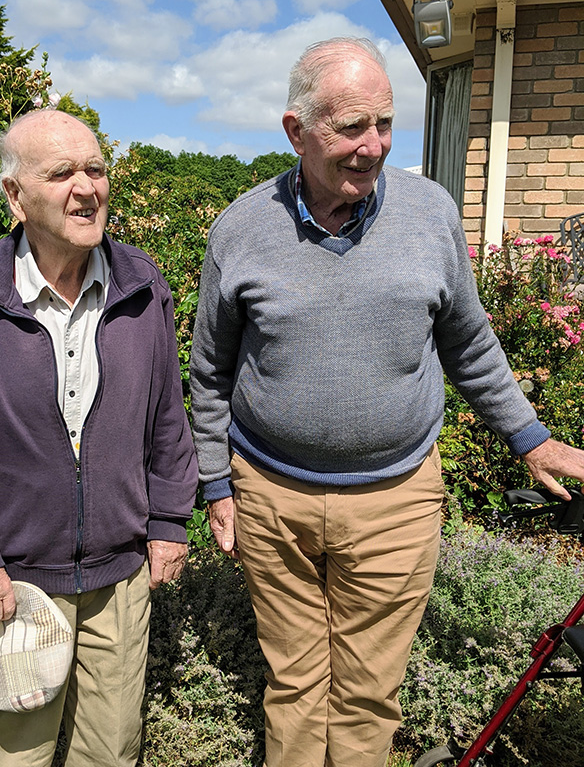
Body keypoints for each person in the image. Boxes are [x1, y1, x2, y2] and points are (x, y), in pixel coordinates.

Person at [189, 37, 584, 767]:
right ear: (295, 131)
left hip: (397, 500)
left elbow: (468, 343)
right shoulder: (241, 230)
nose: (372, 148)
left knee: (370, 694)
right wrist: (217, 485)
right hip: (272, 497)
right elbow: (209, 371)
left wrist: (531, 437)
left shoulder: (430, 214)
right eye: (349, 128)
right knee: (295, 684)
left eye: (385, 124)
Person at [0, 108, 197, 767]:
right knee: (13, 758)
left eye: (95, 169)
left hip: (118, 583)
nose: (87, 187)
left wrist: (169, 522)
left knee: (111, 753)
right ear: (16, 196)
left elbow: (165, 417)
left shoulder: (141, 286)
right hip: (12, 584)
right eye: (62, 172)